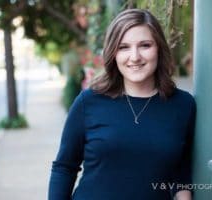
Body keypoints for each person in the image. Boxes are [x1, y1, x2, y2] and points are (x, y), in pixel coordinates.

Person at [48, 8, 196, 200]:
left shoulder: (183, 105)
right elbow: (64, 167)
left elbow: (182, 172)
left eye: (145, 45)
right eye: (123, 47)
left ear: (159, 48)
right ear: (113, 53)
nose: (134, 57)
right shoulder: (89, 102)